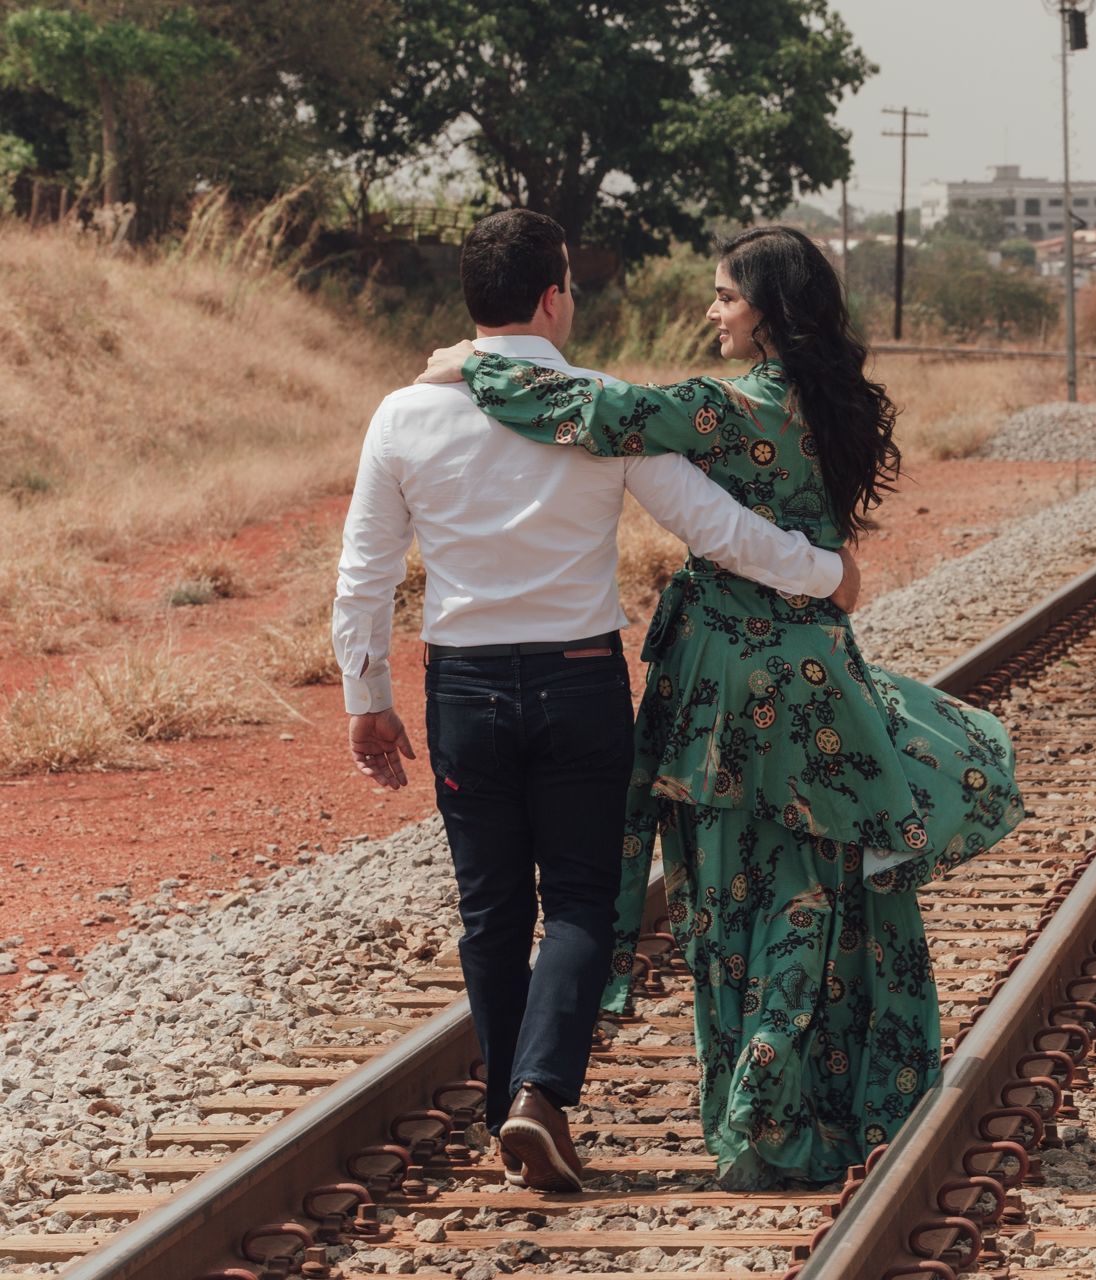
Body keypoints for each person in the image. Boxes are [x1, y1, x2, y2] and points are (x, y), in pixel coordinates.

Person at [415, 225, 1025, 1189]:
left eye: (725, 296)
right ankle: (849, 1092)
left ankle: (767, 1099)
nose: (712, 311)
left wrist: (474, 363)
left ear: (769, 311)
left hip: (727, 679)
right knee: (825, 884)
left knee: (733, 890)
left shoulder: (721, 407)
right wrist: (828, 574)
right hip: (818, 664)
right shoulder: (837, 404)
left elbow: (590, 407)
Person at [334, 210, 859, 1194]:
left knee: (491, 907)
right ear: (551, 296)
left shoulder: (402, 415)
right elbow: (717, 528)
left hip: (464, 687)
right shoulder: (601, 408)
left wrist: (367, 693)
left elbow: (365, 569)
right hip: (578, 678)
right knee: (578, 903)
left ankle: (510, 1114)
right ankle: (540, 1093)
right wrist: (825, 571)